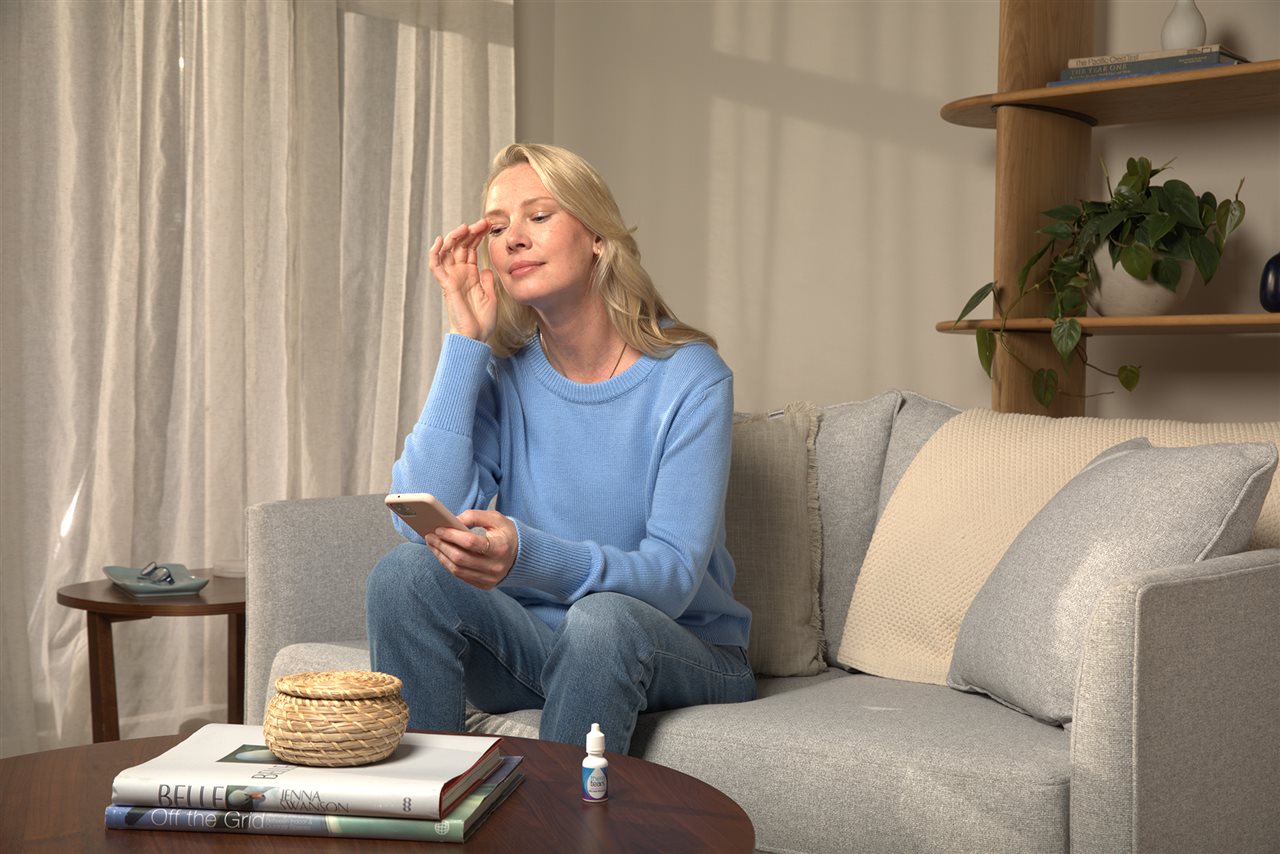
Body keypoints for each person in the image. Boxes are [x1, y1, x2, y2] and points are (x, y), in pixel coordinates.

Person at [365, 143, 755, 753]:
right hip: (542, 644)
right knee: (404, 577)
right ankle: (428, 817)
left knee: (602, 622)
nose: (513, 238)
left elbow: (676, 576)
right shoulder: (506, 375)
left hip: (682, 645)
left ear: (598, 236)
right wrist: (466, 341)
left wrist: (528, 556)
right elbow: (419, 527)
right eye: (497, 227)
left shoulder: (692, 378)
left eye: (539, 216)